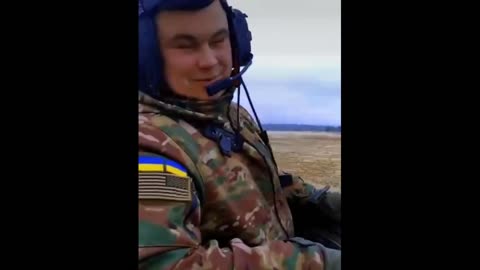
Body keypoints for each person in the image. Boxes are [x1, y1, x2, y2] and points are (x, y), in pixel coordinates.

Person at [138, 0, 341, 269]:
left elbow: (261, 185)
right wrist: (319, 262)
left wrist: (325, 203)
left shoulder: (232, 114)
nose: (210, 62)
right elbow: (165, 262)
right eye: (185, 46)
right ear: (147, 56)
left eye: (219, 41)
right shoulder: (151, 142)